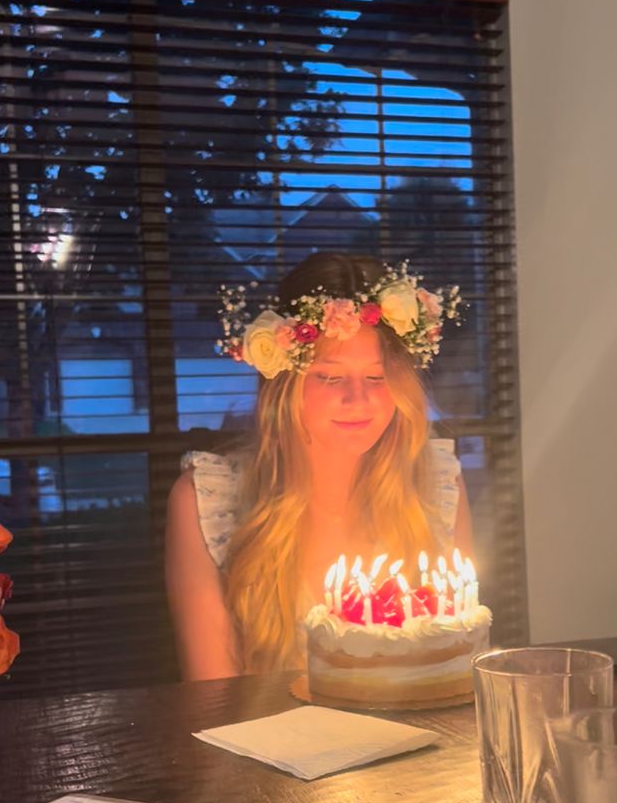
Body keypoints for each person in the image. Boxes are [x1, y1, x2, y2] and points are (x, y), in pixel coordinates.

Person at [165, 252, 474, 681]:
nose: (358, 398)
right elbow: (214, 702)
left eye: (377, 377)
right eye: (330, 377)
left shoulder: (436, 488)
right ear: (284, 383)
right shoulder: (209, 502)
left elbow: (455, 672)